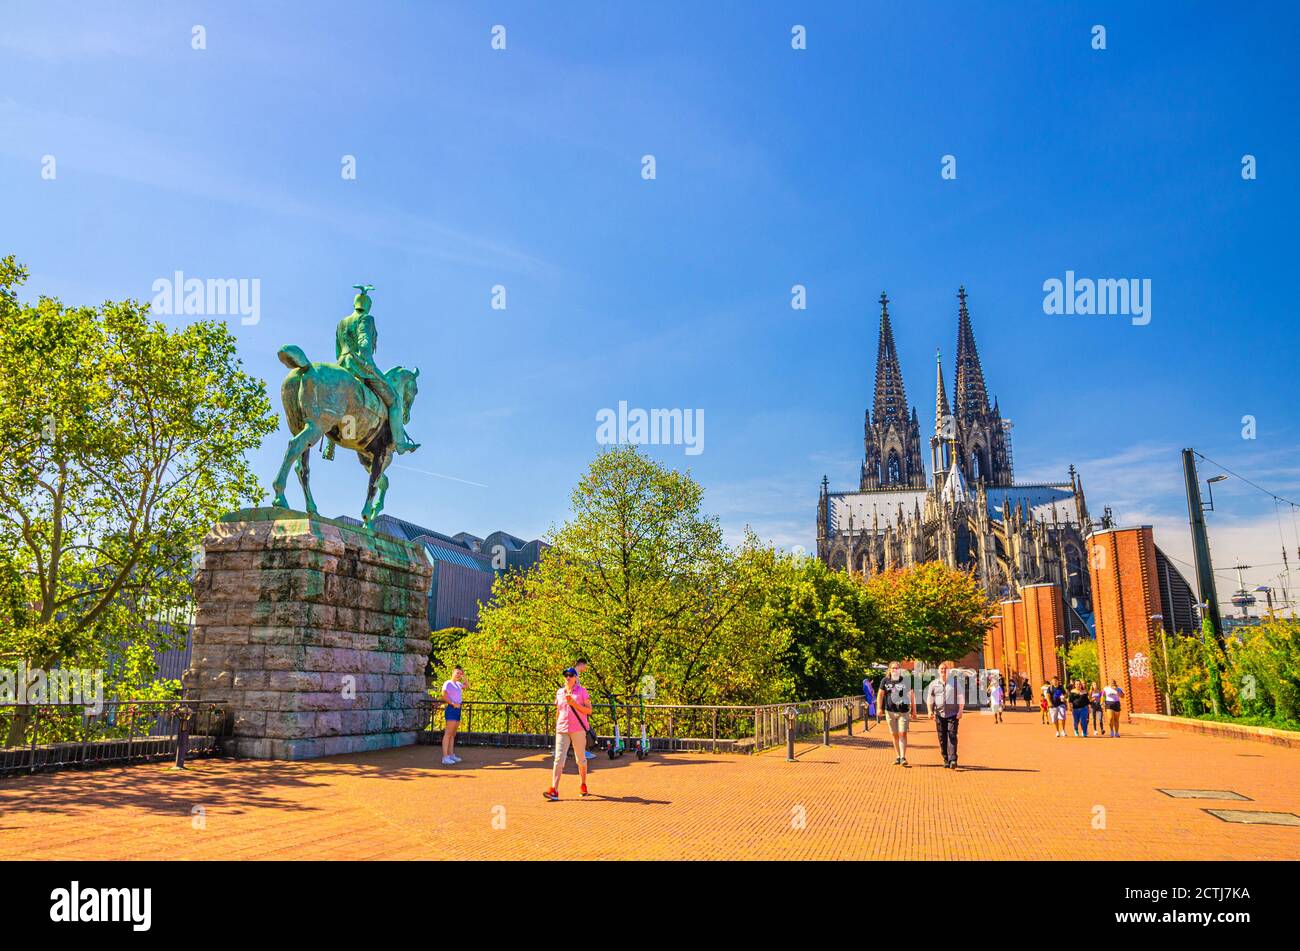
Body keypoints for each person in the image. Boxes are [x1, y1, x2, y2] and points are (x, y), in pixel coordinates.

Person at [544, 667, 592, 800]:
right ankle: (554, 790)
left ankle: (583, 783)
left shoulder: (582, 691)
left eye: (571, 675)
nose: (568, 677)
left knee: (580, 759)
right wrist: (556, 726)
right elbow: (558, 711)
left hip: (578, 729)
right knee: (558, 759)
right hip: (562, 729)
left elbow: (589, 711)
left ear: (576, 678)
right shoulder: (560, 692)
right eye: (566, 675)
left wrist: (574, 704)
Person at [924, 661, 965, 768]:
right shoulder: (934, 684)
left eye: (945, 669)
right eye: (941, 669)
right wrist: (929, 710)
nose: (943, 671)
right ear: (938, 671)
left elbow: (961, 697)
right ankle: (946, 758)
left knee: (952, 735)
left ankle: (953, 759)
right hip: (939, 714)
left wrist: (960, 711)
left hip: (953, 714)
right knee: (942, 737)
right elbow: (930, 698)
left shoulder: (955, 683)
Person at [876, 661, 917, 766]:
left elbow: (912, 695)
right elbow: (880, 695)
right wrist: (879, 708)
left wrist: (914, 711)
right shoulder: (885, 681)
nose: (895, 670)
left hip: (903, 711)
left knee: (902, 733)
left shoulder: (905, 681)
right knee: (894, 735)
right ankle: (898, 756)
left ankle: (903, 757)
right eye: (893, 668)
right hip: (890, 711)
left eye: (897, 668)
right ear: (890, 669)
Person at [441, 666, 465, 765]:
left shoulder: (459, 684)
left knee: (453, 734)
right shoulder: (448, 683)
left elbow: (467, 685)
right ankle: (445, 757)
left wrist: (464, 677)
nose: (458, 675)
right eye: (457, 673)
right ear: (453, 673)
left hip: (458, 709)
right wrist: (452, 703)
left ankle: (451, 755)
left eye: (460, 673)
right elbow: (443, 694)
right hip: (451, 709)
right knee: (448, 733)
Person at [574, 659, 597, 760]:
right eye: (585, 666)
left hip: (576, 708)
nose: (586, 668)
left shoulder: (573, 674)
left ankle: (564, 751)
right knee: (582, 730)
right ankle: (583, 752)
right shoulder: (574, 675)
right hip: (578, 708)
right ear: (582, 664)